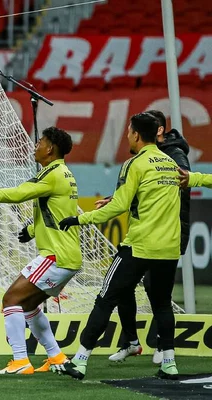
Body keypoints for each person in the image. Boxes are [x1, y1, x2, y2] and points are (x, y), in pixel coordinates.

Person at [53, 113, 181, 380]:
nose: (127, 136)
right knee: (162, 305)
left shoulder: (134, 164)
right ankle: (169, 364)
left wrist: (80, 218)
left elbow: (120, 206)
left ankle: (80, 361)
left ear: (136, 135)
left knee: (105, 299)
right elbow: (185, 184)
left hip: (138, 247)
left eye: (128, 132)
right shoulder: (170, 163)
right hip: (168, 249)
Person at [0, 127, 81, 375]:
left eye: (41, 141)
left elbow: (18, 194)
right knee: (27, 306)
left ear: (50, 149)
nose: (36, 144)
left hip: (56, 256)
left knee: (11, 299)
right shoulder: (63, 174)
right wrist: (33, 230)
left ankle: (20, 361)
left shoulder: (53, 174)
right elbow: (60, 212)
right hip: (66, 255)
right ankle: (56, 357)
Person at [99, 110, 190, 365]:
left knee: (155, 290)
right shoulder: (146, 159)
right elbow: (142, 189)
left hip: (168, 231)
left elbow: (177, 188)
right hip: (146, 233)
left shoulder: (175, 155)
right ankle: (131, 341)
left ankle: (163, 345)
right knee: (124, 287)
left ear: (159, 130)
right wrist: (116, 199)